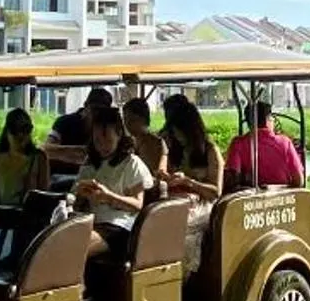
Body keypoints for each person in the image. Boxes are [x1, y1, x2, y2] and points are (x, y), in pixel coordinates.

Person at [73, 108, 154, 262]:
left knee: (77, 247)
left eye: (108, 140)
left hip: (119, 227)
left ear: (119, 135)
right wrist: (81, 195)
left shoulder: (131, 163)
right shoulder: (90, 164)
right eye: (97, 141)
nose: (102, 146)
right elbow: (76, 202)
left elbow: (137, 204)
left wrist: (108, 196)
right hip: (90, 222)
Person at [223, 99, 305, 190]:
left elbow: (233, 179)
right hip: (283, 199)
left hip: (250, 199)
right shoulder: (285, 143)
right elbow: (299, 180)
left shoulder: (238, 143)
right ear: (268, 119)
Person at [160, 92, 224, 202]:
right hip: (177, 204)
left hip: (203, 210)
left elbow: (215, 192)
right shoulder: (175, 148)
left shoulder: (210, 151)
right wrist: (167, 177)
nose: (177, 136)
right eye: (174, 132)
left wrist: (188, 182)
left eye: (179, 132)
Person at [0, 107, 49, 206]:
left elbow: (44, 194)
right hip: (4, 216)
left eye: (26, 129)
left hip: (30, 215)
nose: (20, 135)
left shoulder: (39, 158)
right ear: (7, 132)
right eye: (15, 130)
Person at [121, 94, 166, 176]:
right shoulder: (128, 142)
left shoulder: (155, 143)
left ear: (143, 119)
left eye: (132, 120)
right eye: (125, 119)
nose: (127, 124)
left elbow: (157, 171)